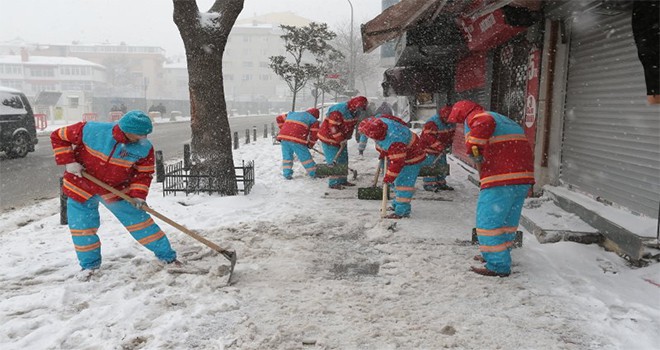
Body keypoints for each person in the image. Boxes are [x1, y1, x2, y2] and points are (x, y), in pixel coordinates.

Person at [51, 110, 178, 277]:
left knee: (141, 224)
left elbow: (143, 173)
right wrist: (69, 162)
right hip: (80, 186)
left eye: (146, 134)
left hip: (117, 191)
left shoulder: (144, 148)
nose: (143, 138)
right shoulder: (91, 130)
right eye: (139, 134)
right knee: (82, 229)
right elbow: (58, 136)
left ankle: (167, 257)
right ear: (126, 129)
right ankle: (90, 267)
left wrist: (138, 195)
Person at [447, 100, 535, 277]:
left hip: (501, 178)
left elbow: (482, 126)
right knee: (507, 222)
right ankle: (500, 253)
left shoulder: (480, 118)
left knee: (488, 221)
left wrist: (473, 146)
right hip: (521, 178)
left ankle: (497, 264)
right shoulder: (503, 119)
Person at [358, 115, 426, 219]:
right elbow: (399, 122)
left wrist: (388, 178)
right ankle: (396, 205)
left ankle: (402, 212)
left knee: (403, 184)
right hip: (406, 149)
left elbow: (397, 163)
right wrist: (384, 151)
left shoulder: (395, 142)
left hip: (412, 158)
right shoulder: (381, 121)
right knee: (398, 182)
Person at [317, 96, 368, 189]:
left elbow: (351, 126)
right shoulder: (338, 110)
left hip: (342, 139)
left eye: (361, 108)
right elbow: (333, 127)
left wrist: (346, 138)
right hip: (328, 138)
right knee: (334, 161)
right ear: (355, 105)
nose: (360, 110)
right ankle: (334, 183)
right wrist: (340, 139)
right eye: (359, 107)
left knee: (343, 159)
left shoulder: (355, 112)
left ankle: (342, 180)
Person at [276, 108, 320, 179]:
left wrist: (284, 129)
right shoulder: (313, 120)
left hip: (284, 138)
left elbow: (279, 118)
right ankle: (313, 173)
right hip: (297, 139)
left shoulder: (292, 114)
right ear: (315, 116)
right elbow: (314, 134)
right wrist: (310, 144)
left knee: (287, 157)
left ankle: (287, 174)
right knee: (305, 157)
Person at [419, 105, 455, 191]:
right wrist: (439, 146)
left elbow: (451, 134)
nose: (449, 121)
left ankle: (441, 183)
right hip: (429, 149)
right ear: (443, 117)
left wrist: (449, 144)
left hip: (441, 149)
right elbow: (428, 137)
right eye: (447, 119)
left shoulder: (450, 122)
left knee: (442, 165)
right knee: (430, 166)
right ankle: (429, 184)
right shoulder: (432, 123)